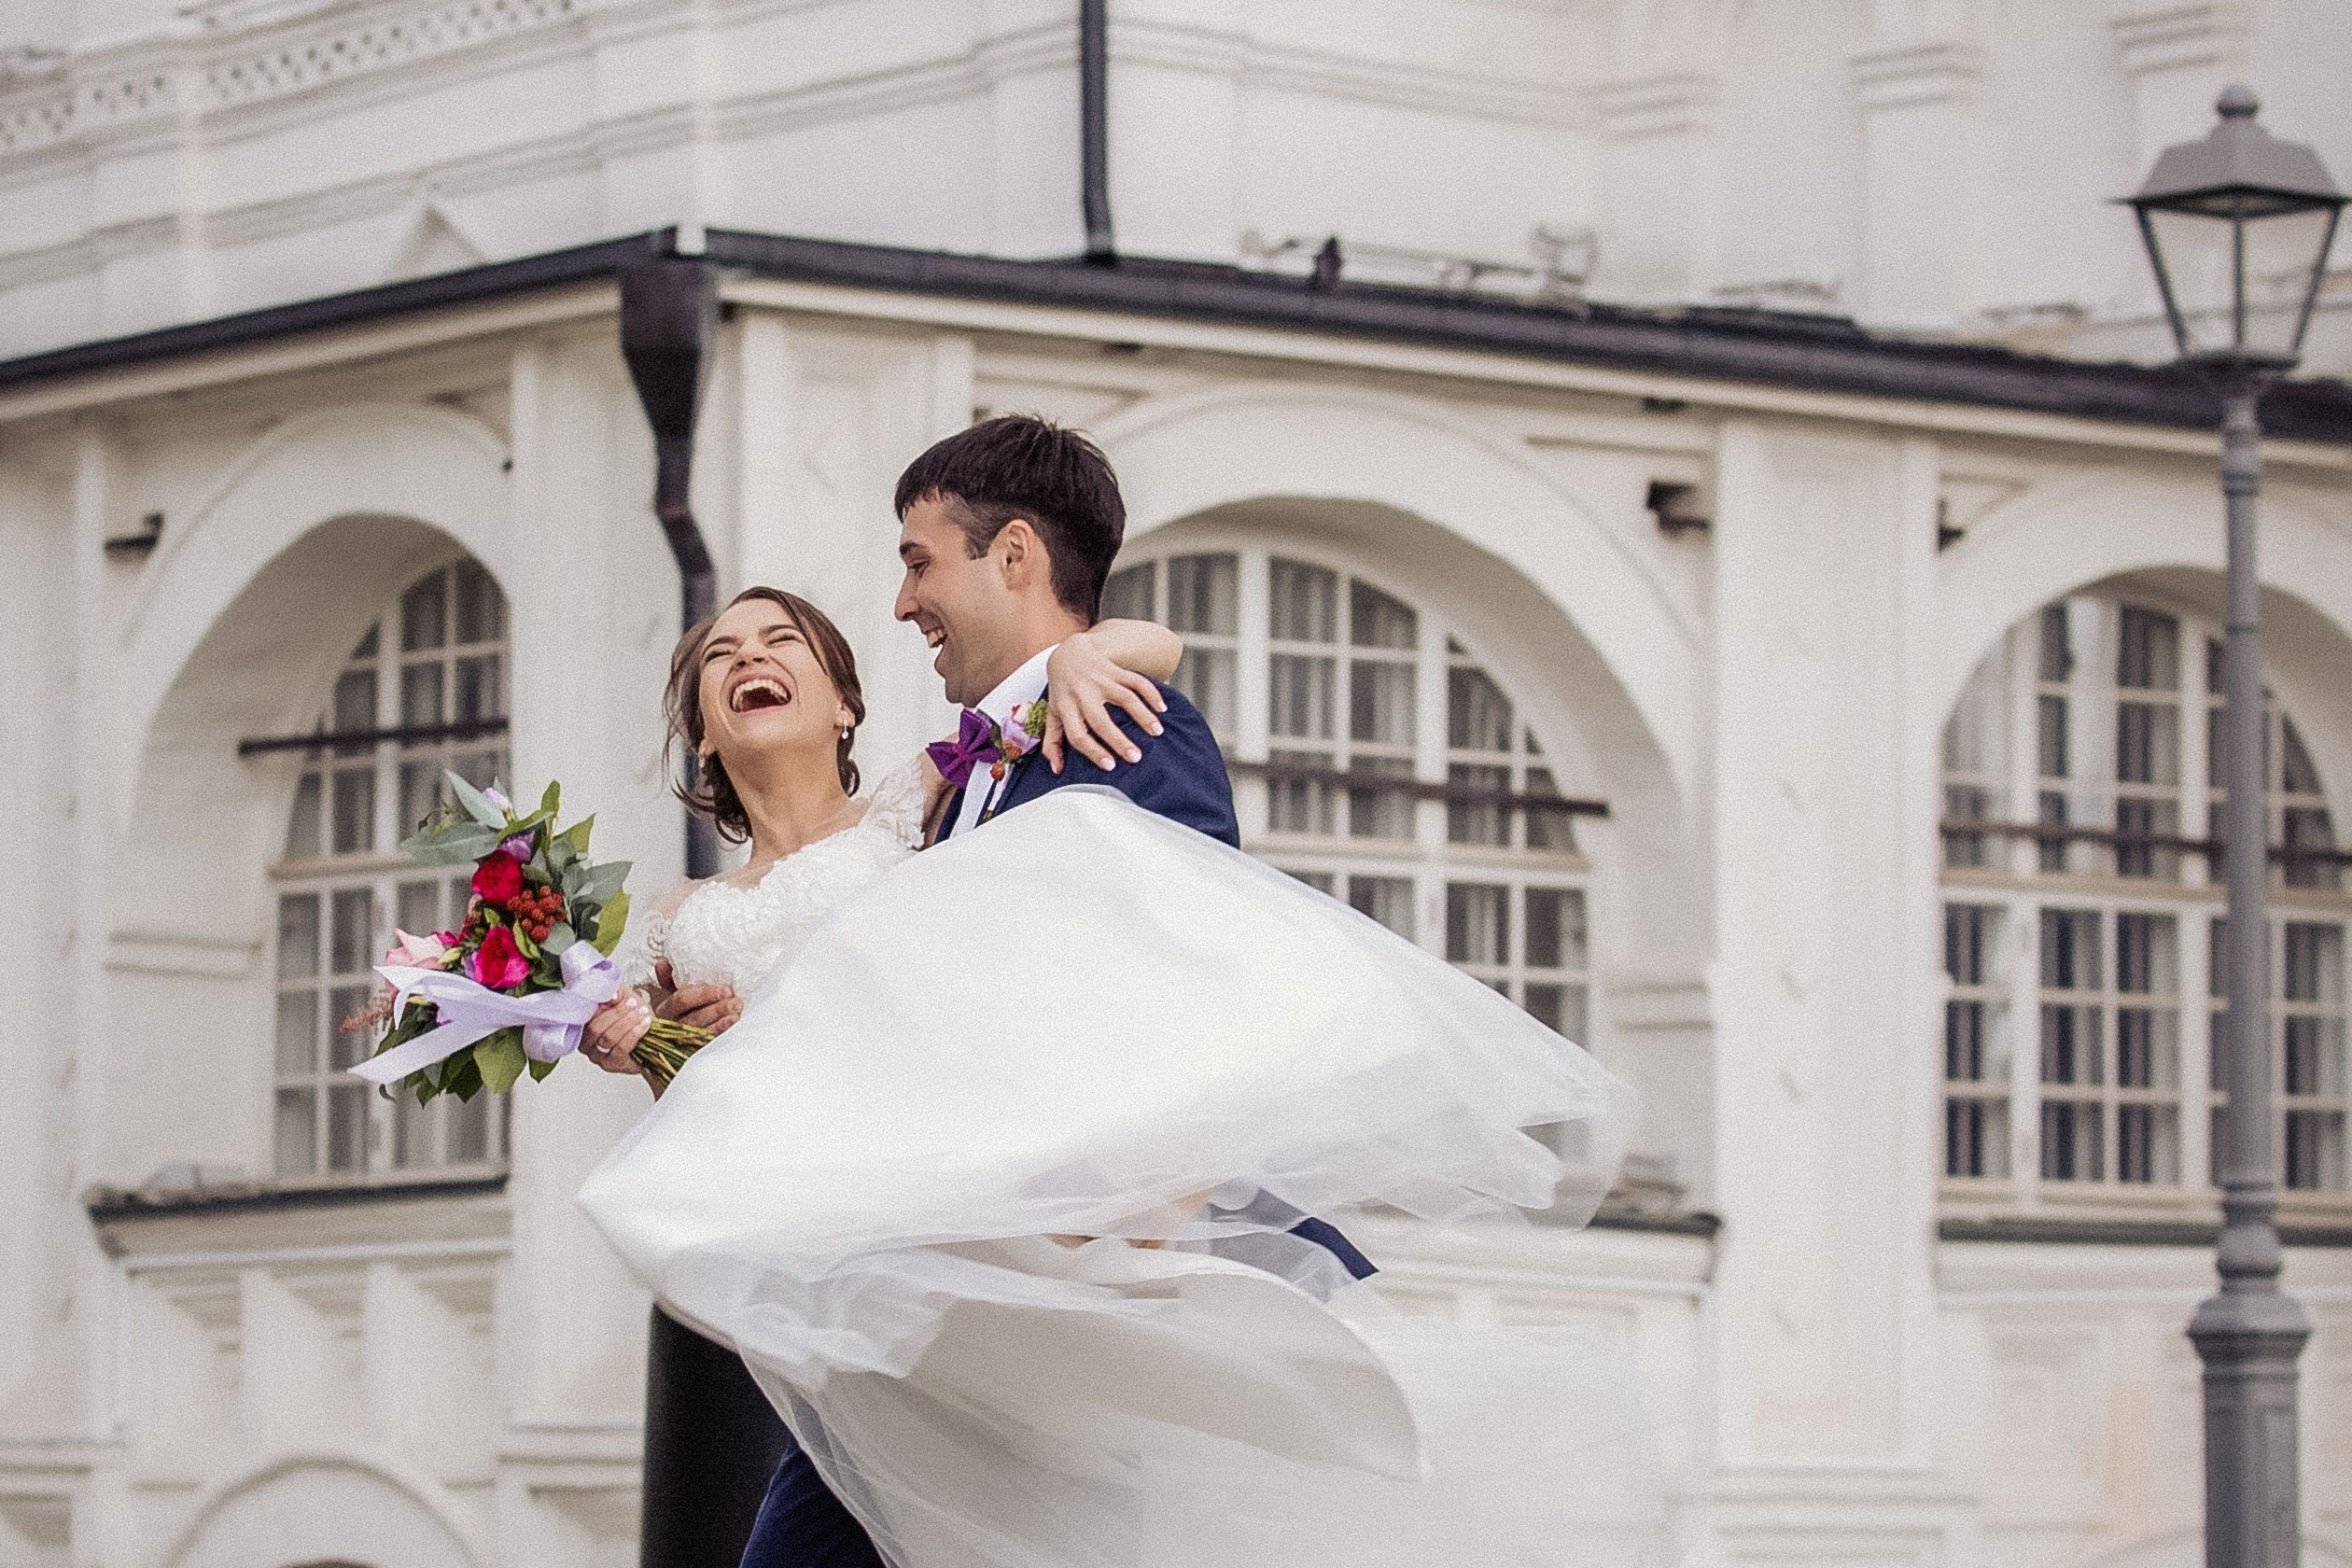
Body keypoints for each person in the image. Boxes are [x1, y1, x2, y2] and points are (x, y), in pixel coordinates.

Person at [579, 418, 1660, 1567]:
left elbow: (1199, 988)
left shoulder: (1108, 730)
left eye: (917, 560)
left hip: (1069, 1303)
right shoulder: (959, 787)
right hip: (930, 1308)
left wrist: (1125, 1236)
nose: (901, 604)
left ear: (1013, 559)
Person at [579, 582, 1191, 1568]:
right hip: (844, 1307)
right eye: (720, 656)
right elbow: (713, 1131)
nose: (748, 659)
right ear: (701, 730)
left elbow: (1156, 648)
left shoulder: (918, 806)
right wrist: (650, 1056)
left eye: (780, 642)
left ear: (844, 706)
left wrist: (1080, 657)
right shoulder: (675, 917)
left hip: (974, 1246)